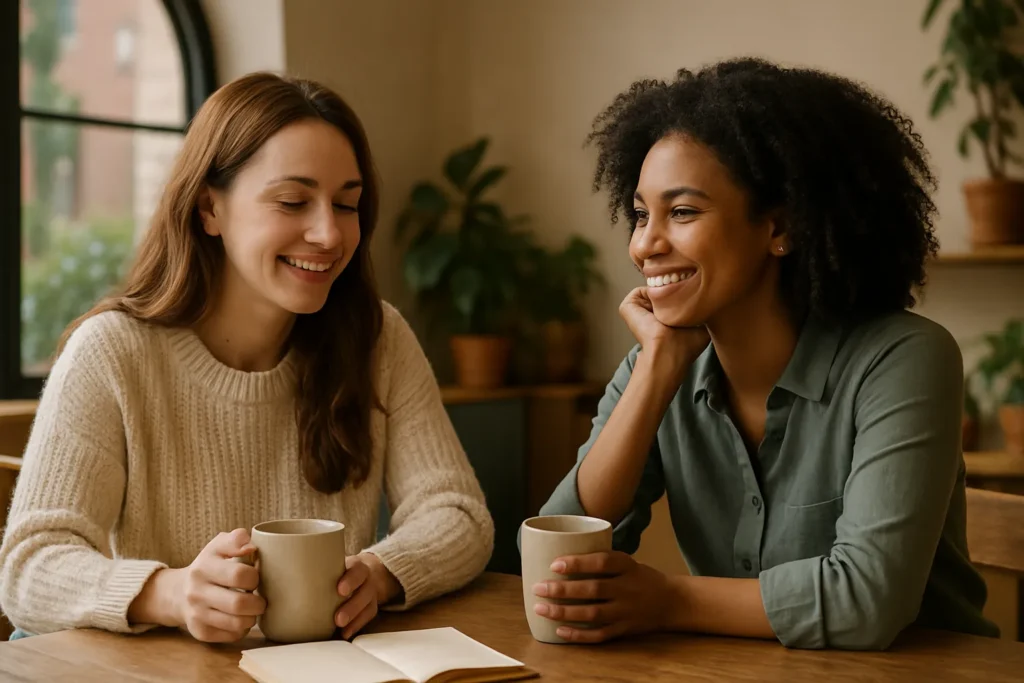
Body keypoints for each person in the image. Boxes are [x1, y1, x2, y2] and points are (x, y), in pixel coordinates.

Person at [0, 73, 493, 643]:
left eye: (348, 204)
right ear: (210, 209)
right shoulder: (112, 352)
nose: (329, 233)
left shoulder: (377, 339)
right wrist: (171, 593)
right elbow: (27, 568)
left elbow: (458, 514)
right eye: (292, 201)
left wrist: (380, 576)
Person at [532, 58, 998, 650]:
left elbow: (868, 601)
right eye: (641, 214)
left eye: (681, 212)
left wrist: (670, 598)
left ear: (781, 227)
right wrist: (654, 376)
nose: (644, 244)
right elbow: (553, 566)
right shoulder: (657, 364)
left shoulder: (904, 359)